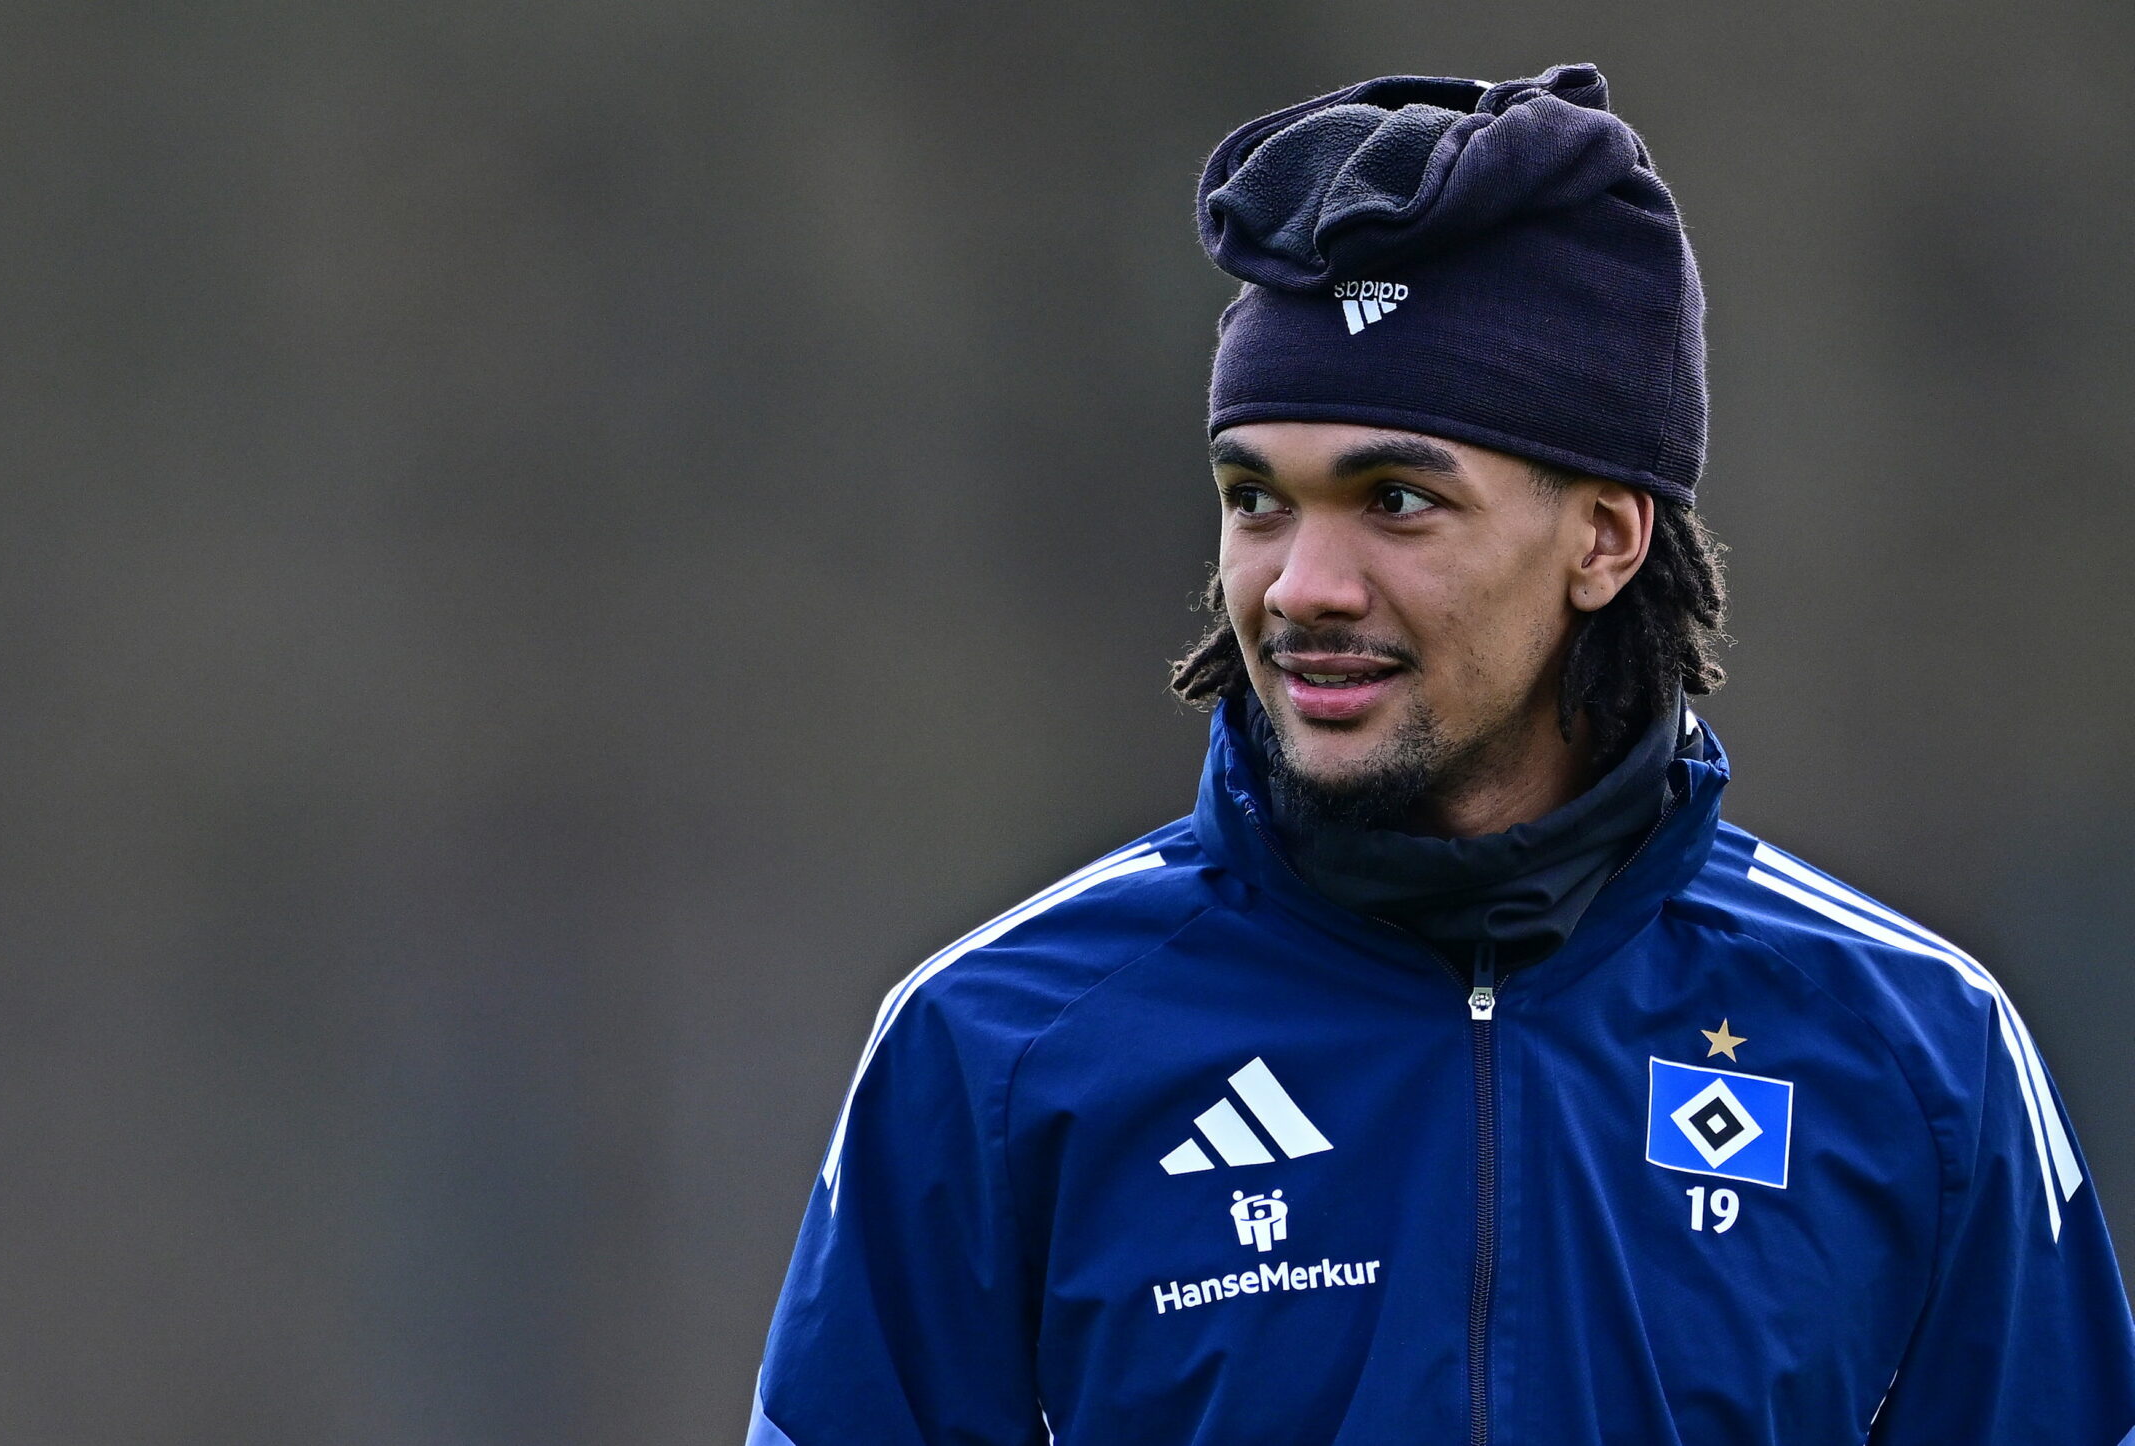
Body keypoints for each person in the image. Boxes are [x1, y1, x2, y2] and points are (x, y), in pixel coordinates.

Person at [744, 63, 2135, 1445]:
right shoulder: (990, 1044)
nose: (1301, 585)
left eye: (1396, 499)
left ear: (1605, 536)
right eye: (1256, 500)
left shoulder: (1914, 1049)